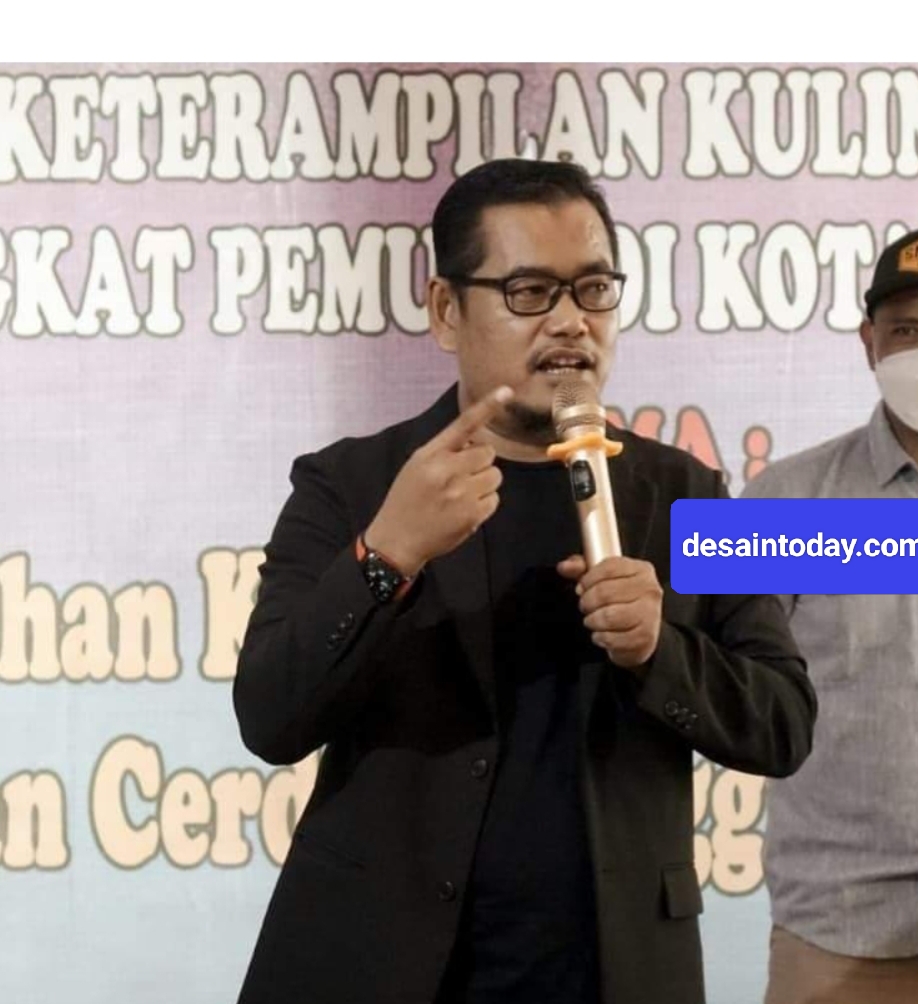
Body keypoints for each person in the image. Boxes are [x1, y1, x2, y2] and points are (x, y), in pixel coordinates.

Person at [232, 157, 817, 1004]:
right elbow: (269, 715)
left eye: (594, 289)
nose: (571, 322)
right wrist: (386, 555)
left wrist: (660, 652)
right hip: (382, 966)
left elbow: (785, 722)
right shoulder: (351, 485)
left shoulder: (687, 492)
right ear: (446, 310)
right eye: (530, 292)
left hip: (611, 972)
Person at [742, 229, 918, 1004]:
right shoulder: (785, 501)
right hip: (841, 933)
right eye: (906, 330)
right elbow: (703, 674)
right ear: (869, 341)